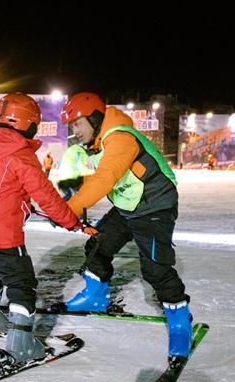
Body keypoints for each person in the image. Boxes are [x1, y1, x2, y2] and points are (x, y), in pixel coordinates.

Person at [60, 91, 193, 364]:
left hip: (155, 206)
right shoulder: (98, 143)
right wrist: (71, 192)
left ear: (94, 119)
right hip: (128, 205)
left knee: (156, 269)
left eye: (77, 123)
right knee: (97, 243)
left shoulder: (120, 137)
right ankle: (95, 296)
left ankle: (180, 321)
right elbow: (101, 177)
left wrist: (69, 208)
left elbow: (106, 178)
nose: (74, 131)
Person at [0, 93, 92, 366]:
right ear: (27, 123)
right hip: (2, 231)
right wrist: (71, 221)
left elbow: (3, 190)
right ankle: (21, 345)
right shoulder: (19, 154)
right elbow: (45, 194)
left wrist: (25, 206)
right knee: (22, 283)